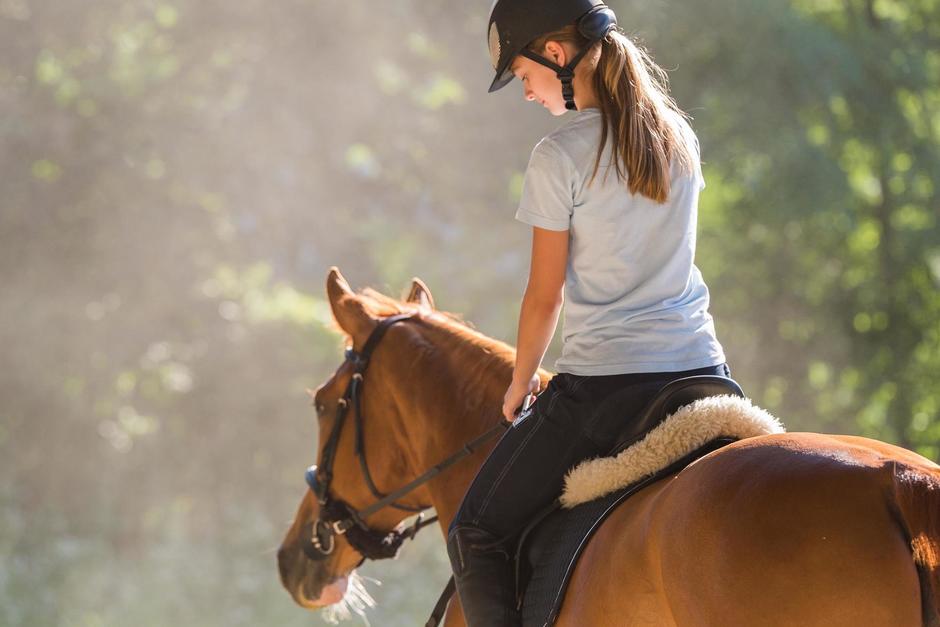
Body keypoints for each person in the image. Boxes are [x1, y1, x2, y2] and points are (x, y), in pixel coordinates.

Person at [446, 1, 731, 625]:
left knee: (474, 531)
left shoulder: (559, 155)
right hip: (704, 374)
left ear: (556, 55)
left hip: (609, 387)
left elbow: (543, 296)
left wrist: (521, 383)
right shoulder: (678, 136)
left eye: (524, 76)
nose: (527, 93)